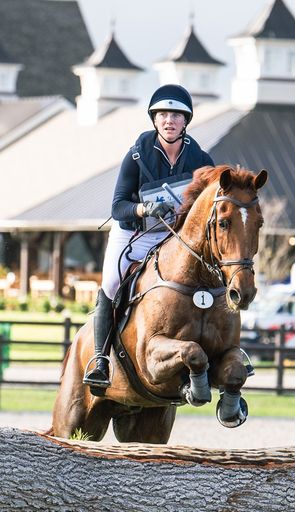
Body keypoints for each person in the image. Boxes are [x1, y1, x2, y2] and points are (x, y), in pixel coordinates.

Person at [82, 83, 215, 388]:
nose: (170, 120)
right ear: (154, 119)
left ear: (186, 122)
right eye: (164, 114)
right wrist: (143, 209)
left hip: (174, 239)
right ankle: (100, 360)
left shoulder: (200, 159)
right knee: (112, 284)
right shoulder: (137, 155)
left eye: (176, 116)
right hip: (134, 234)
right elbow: (118, 207)